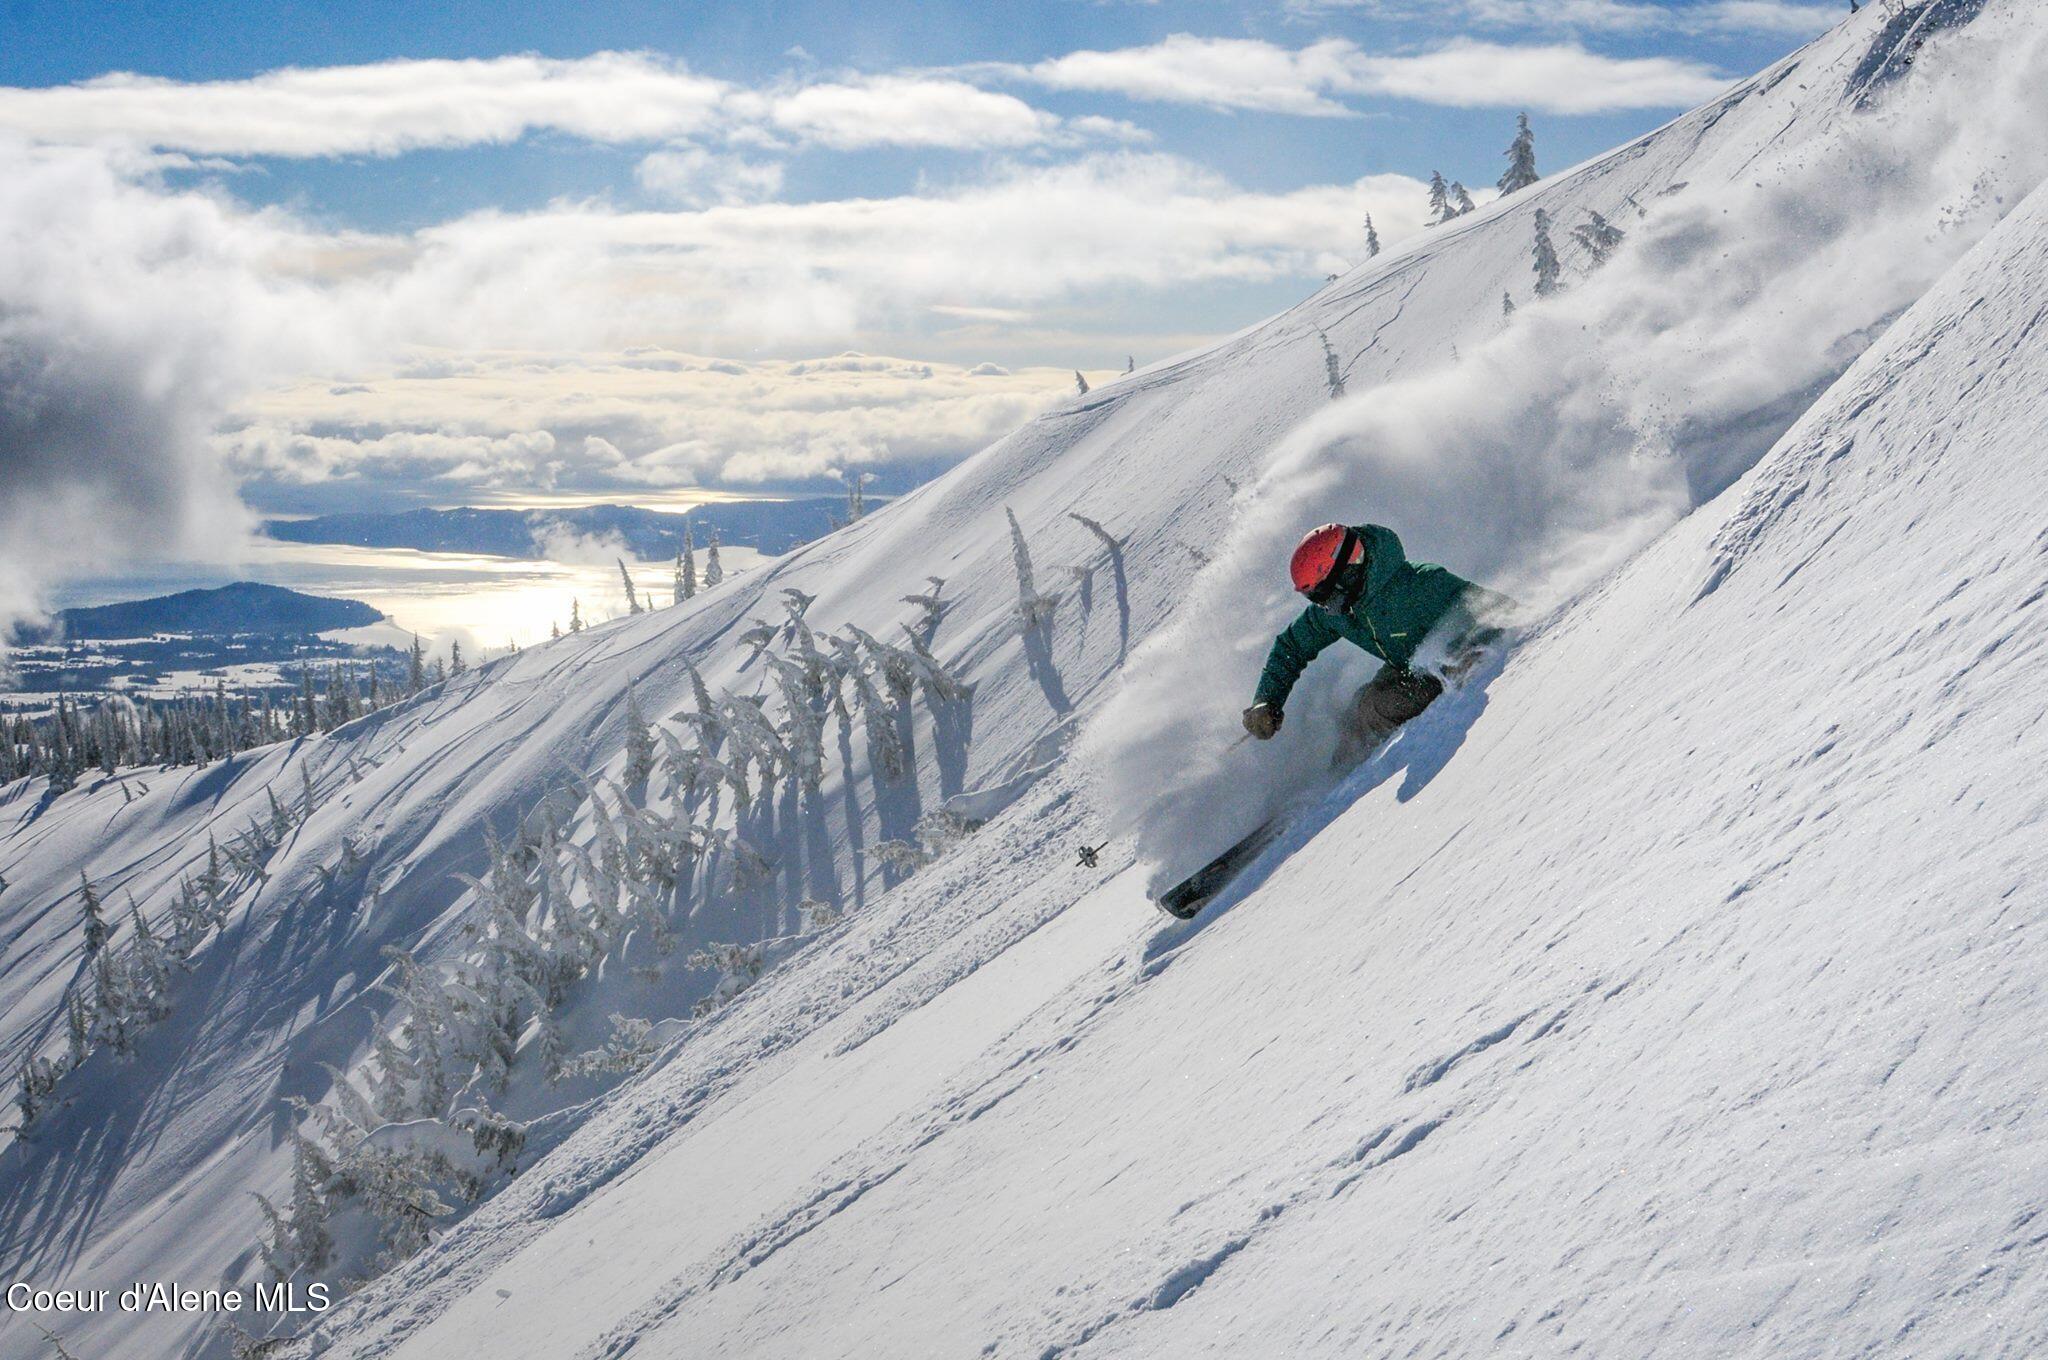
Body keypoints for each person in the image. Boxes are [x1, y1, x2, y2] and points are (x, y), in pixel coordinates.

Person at [1243, 523, 1504, 759]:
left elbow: (1492, 608)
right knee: (1357, 707)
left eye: (1321, 594)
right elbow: (1293, 645)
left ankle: (1365, 774)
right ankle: (1331, 781)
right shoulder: (1339, 611)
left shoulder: (1419, 584)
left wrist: (1494, 644)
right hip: (1406, 664)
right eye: (1313, 598)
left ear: (1345, 576)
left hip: (1448, 666)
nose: (1321, 605)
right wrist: (1267, 700)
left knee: (1375, 707)